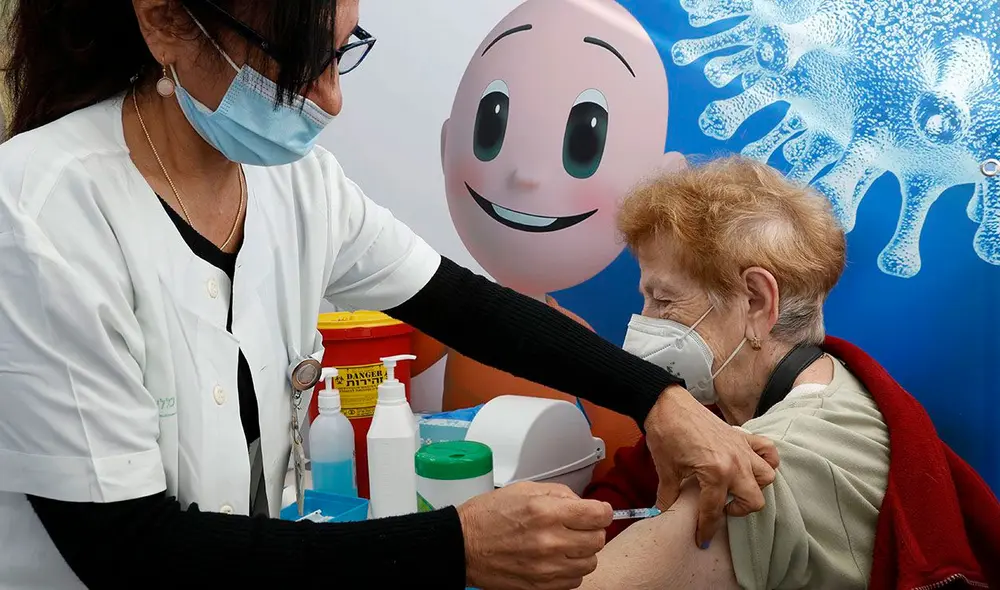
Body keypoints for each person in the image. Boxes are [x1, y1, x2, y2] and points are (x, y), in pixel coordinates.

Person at [0, 1, 780, 589]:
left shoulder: (295, 185)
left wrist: (658, 400)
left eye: (343, 55)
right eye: (298, 61)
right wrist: (455, 547)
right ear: (167, 22)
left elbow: (462, 304)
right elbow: (131, 552)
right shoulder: (37, 216)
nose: (331, 100)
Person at [580, 156, 1000, 589]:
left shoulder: (761, 467)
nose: (644, 320)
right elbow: (625, 492)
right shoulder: (758, 399)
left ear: (757, 302)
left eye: (664, 301)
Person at [417, 0, 687, 480]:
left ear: (658, 187)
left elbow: (625, 483)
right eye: (491, 125)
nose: (527, 176)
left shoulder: (586, 355)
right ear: (446, 143)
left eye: (584, 141)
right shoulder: (419, 325)